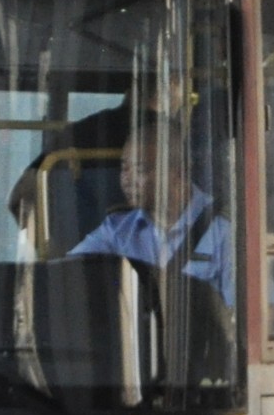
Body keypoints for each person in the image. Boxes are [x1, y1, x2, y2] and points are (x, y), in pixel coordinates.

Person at [69, 120, 234, 304]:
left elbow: (262, 310)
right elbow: (70, 276)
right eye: (124, 168)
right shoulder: (117, 229)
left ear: (178, 173)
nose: (127, 180)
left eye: (140, 170)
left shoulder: (224, 231)